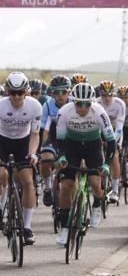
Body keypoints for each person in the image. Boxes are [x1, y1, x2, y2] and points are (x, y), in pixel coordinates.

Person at [55, 82, 116, 244]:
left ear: (92, 103)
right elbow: (59, 139)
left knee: (96, 184)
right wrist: (61, 156)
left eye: (86, 104)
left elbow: (111, 142)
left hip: (93, 147)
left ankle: (96, 204)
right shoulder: (64, 112)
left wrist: (107, 164)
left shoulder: (99, 112)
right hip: (71, 147)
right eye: (78, 104)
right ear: (72, 101)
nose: (82, 108)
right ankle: (65, 229)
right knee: (66, 186)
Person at [0, 72, 41, 244]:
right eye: (12, 93)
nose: (16, 97)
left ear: (26, 92)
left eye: (20, 93)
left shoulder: (35, 106)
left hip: (23, 143)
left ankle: (27, 226)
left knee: (28, 181)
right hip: (2, 141)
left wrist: (32, 153)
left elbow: (35, 134)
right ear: (7, 92)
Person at [39, 75, 71, 207]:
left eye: (63, 92)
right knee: (46, 159)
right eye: (56, 92)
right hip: (52, 135)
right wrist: (41, 149)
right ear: (52, 93)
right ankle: (47, 188)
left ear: (69, 92)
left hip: (70, 137)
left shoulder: (74, 103)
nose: (60, 95)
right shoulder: (47, 105)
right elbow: (44, 130)